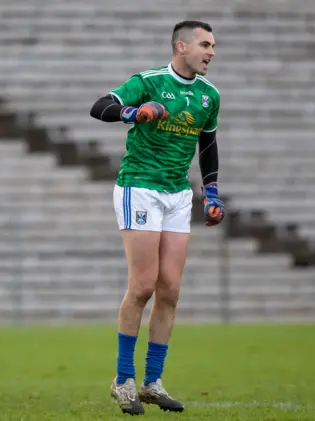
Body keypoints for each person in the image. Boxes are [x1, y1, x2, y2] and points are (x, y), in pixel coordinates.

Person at [89, 20, 225, 415]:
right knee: (143, 285)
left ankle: (152, 381)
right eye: (205, 44)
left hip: (178, 194)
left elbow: (209, 145)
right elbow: (100, 107)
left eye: (213, 45)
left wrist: (211, 192)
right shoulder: (148, 81)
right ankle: (123, 380)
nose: (211, 52)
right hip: (140, 186)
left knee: (170, 290)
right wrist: (135, 111)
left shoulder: (208, 96)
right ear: (181, 47)